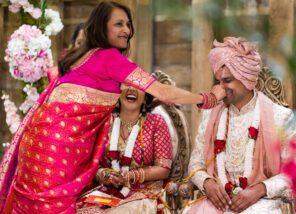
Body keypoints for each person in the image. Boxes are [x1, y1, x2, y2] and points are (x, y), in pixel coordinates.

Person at [0, 1, 224, 213]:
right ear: (101, 27)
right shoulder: (109, 58)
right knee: (54, 206)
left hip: (37, 145)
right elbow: (164, 91)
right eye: (119, 24)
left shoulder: (80, 57)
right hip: (58, 151)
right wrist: (209, 97)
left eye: (128, 24)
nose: (126, 30)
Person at [186, 37, 296, 213]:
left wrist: (260, 189)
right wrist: (207, 182)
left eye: (227, 81)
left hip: (261, 203)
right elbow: (195, 163)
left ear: (247, 79)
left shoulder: (280, 117)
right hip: (218, 202)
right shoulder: (210, 115)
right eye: (218, 81)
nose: (220, 88)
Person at [77, 84, 172, 213]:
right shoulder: (104, 122)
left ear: (145, 97)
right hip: (106, 191)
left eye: (138, 86)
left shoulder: (156, 122)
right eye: (126, 84)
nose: (131, 89)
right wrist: (104, 174)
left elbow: (163, 168)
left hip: (145, 192)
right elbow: (90, 164)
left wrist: (131, 176)